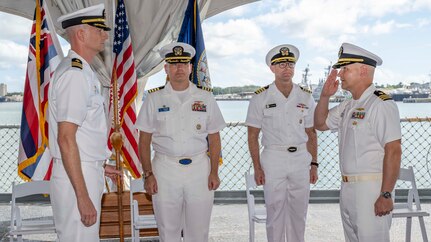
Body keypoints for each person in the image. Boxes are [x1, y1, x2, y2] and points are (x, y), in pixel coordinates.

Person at [136, 42, 226, 242]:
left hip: (199, 170)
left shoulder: (205, 97)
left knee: (199, 231)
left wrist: (214, 171)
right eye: (174, 63)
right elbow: (144, 140)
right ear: (166, 68)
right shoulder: (153, 99)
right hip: (165, 170)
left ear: (190, 68)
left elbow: (214, 137)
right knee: (168, 231)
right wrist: (148, 174)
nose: (179, 68)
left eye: (184, 63)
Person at [314, 43, 402, 242]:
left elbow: (394, 150)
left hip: (371, 189)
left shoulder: (380, 104)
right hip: (347, 188)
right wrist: (325, 96)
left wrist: (386, 194)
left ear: (363, 70)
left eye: (345, 68)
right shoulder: (349, 104)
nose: (340, 74)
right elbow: (320, 123)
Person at [48, 4, 121, 241]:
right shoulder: (75, 74)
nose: (105, 35)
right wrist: (82, 195)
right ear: (81, 34)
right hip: (77, 178)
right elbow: (66, 137)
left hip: (83, 170)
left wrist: (99, 165)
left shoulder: (83, 72)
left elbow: (80, 136)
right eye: (99, 30)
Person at [246, 44, 318, 242]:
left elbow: (311, 133)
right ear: (272, 68)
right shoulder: (261, 97)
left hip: (301, 159)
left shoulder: (305, 95)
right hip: (273, 158)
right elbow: (252, 135)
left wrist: (314, 164)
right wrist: (257, 168)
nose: (287, 68)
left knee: (299, 211)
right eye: (281, 64)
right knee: (275, 211)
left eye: (290, 64)